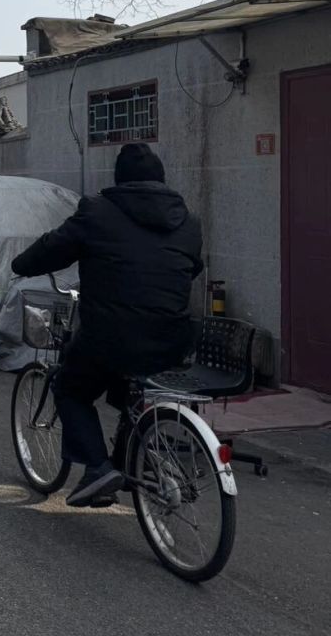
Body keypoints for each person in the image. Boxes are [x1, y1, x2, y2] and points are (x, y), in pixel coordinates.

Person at [11, 142, 203, 507]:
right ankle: (127, 456)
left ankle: (98, 468)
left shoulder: (97, 211)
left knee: (71, 387)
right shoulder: (189, 222)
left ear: (119, 179)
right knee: (128, 383)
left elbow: (54, 247)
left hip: (110, 337)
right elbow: (191, 268)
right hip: (173, 340)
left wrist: (21, 265)